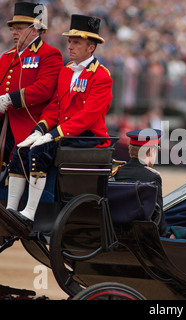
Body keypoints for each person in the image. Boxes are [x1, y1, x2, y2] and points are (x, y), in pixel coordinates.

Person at [6, 14, 112, 228]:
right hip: (63, 133)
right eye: (70, 42)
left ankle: (29, 213)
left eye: (76, 42)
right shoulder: (65, 72)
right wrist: (39, 130)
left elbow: (87, 117)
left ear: (91, 47)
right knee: (20, 148)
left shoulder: (101, 76)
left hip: (87, 137)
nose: (70, 46)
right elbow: (54, 106)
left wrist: (52, 135)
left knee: (38, 151)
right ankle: (10, 210)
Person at [0, 2, 63, 177]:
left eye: (19, 28)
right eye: (13, 29)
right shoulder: (6, 56)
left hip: (29, 124)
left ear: (34, 30)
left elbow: (44, 89)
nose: (14, 33)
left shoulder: (49, 54)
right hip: (5, 123)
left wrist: (9, 99)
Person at [114, 129, 166, 236]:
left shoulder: (117, 172)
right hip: (143, 235)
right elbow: (158, 214)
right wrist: (165, 235)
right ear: (151, 152)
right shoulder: (153, 176)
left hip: (116, 231)